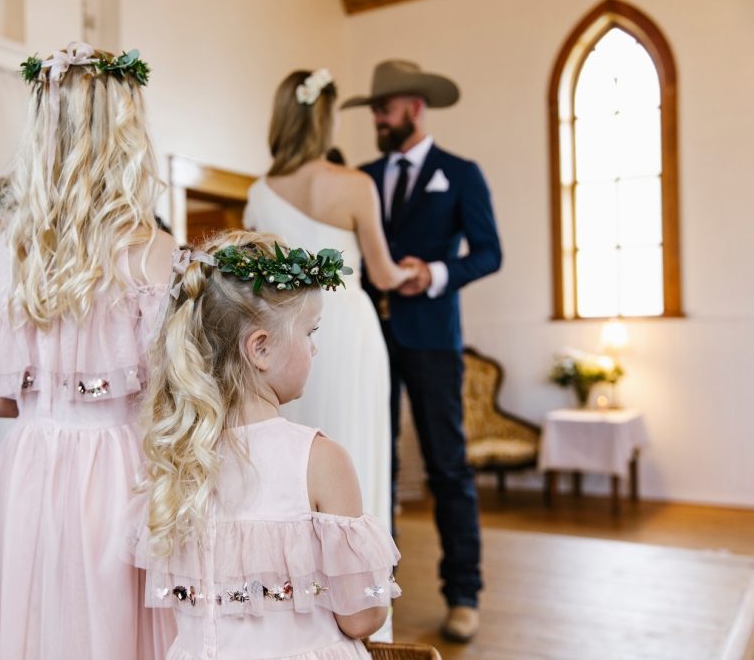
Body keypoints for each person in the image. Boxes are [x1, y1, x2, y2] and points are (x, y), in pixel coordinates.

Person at [0, 41, 175, 659]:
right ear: (125, 129)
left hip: (28, 468)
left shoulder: (5, 249)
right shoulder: (151, 248)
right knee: (108, 631)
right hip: (117, 470)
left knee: (35, 626)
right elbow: (167, 395)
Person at [131, 230, 401, 660]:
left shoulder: (176, 458)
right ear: (261, 348)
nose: (315, 350)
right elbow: (362, 617)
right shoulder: (319, 459)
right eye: (310, 332)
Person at [342, 58, 503, 642]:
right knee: (372, 460)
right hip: (372, 339)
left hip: (434, 339)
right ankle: (376, 586)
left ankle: (463, 592)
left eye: (383, 110)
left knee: (447, 466)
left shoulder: (461, 174)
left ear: (413, 106)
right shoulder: (361, 175)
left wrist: (433, 273)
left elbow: (489, 253)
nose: (378, 121)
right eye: (374, 112)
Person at [243, 69, 414, 532]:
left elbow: (256, 278)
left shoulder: (260, 193)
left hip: (290, 334)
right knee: (356, 444)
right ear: (325, 121)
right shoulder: (356, 184)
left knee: (294, 445)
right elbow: (382, 272)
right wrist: (412, 272)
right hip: (351, 328)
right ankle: (362, 576)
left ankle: (297, 575)